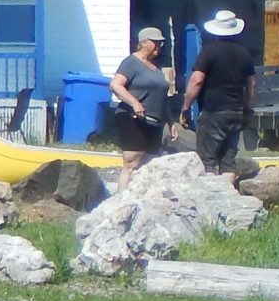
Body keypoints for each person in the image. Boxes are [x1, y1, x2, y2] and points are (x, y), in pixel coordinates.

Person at [181, 10, 258, 178]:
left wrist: (185, 106)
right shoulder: (244, 54)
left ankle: (211, 199)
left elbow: (197, 81)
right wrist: (247, 109)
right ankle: (229, 198)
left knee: (207, 160)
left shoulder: (209, 51)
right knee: (228, 161)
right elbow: (251, 85)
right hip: (235, 111)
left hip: (213, 111)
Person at [110, 26, 171, 170]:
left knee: (150, 163)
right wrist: (135, 103)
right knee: (132, 161)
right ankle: (124, 192)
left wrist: (170, 122)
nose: (159, 46)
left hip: (154, 121)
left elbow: (162, 96)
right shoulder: (131, 62)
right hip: (133, 117)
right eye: (155, 42)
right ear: (143, 42)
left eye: (161, 43)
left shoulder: (157, 67)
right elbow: (116, 85)